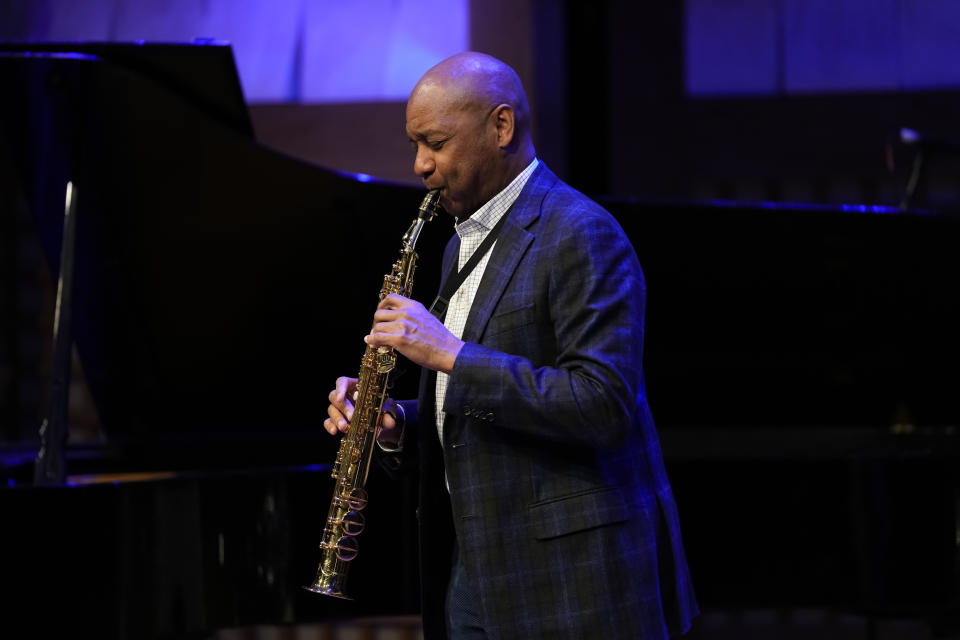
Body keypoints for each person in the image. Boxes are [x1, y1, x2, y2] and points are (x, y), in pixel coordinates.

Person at [324, 51, 697, 639]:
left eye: (436, 142)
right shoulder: (457, 244)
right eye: (415, 144)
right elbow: (471, 405)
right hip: (476, 568)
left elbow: (601, 405)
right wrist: (395, 422)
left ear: (501, 127)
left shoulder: (581, 231)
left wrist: (449, 353)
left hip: (572, 579)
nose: (420, 165)